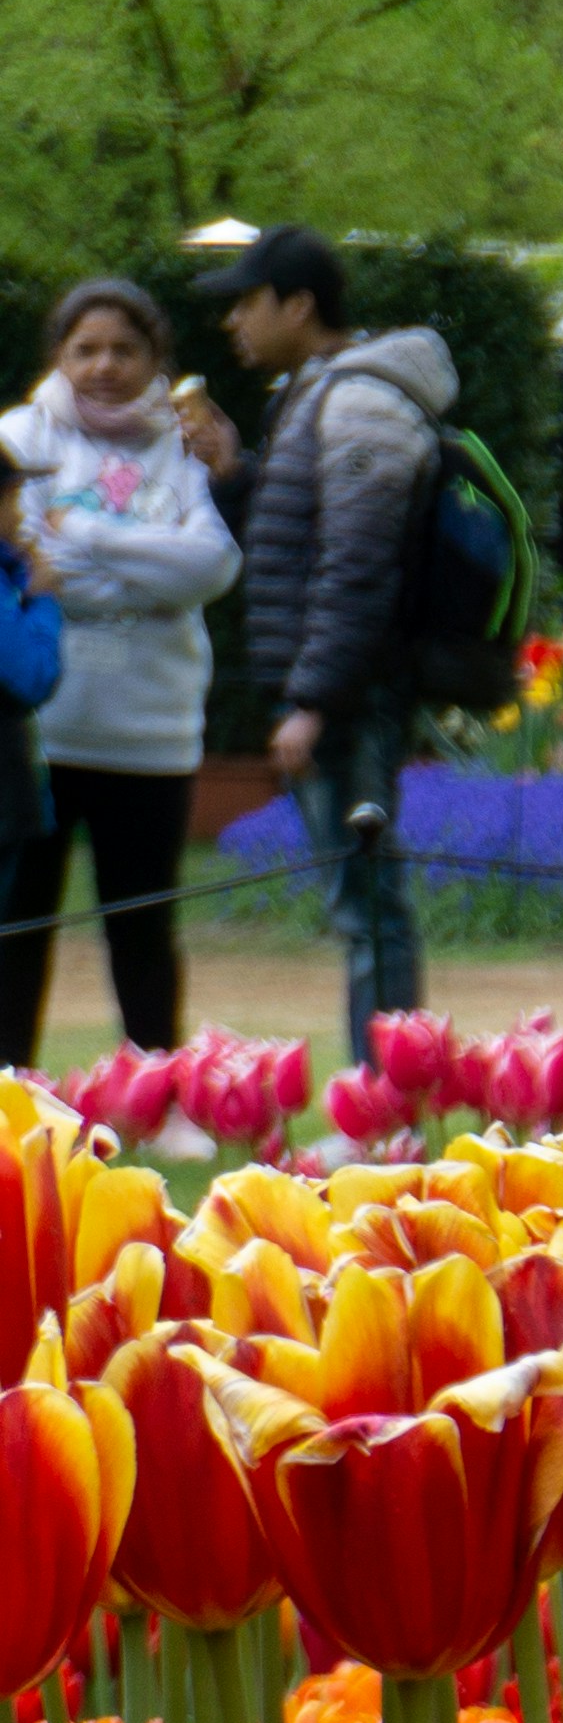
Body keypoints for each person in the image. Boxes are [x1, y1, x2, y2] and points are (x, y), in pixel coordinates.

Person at [201, 224, 455, 1060]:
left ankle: (386, 1096)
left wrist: (311, 701)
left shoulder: (360, 401)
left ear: (299, 304)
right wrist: (237, 475)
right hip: (340, 689)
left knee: (368, 901)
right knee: (359, 898)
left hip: (353, 697)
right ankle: (383, 1091)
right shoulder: (317, 393)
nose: (233, 320)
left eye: (247, 301)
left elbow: (357, 567)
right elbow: (298, 552)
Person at [3, 280, 242, 1105]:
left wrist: (88, 539)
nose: (105, 366)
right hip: (41, 730)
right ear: (59, 357)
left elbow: (211, 566)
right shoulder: (17, 438)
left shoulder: (186, 444)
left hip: (153, 729)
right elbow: (29, 565)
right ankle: (13, 1093)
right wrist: (149, 569)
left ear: (155, 360)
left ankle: (158, 1097)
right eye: (86, 349)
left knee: (142, 924)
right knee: (18, 923)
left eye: (125, 350)